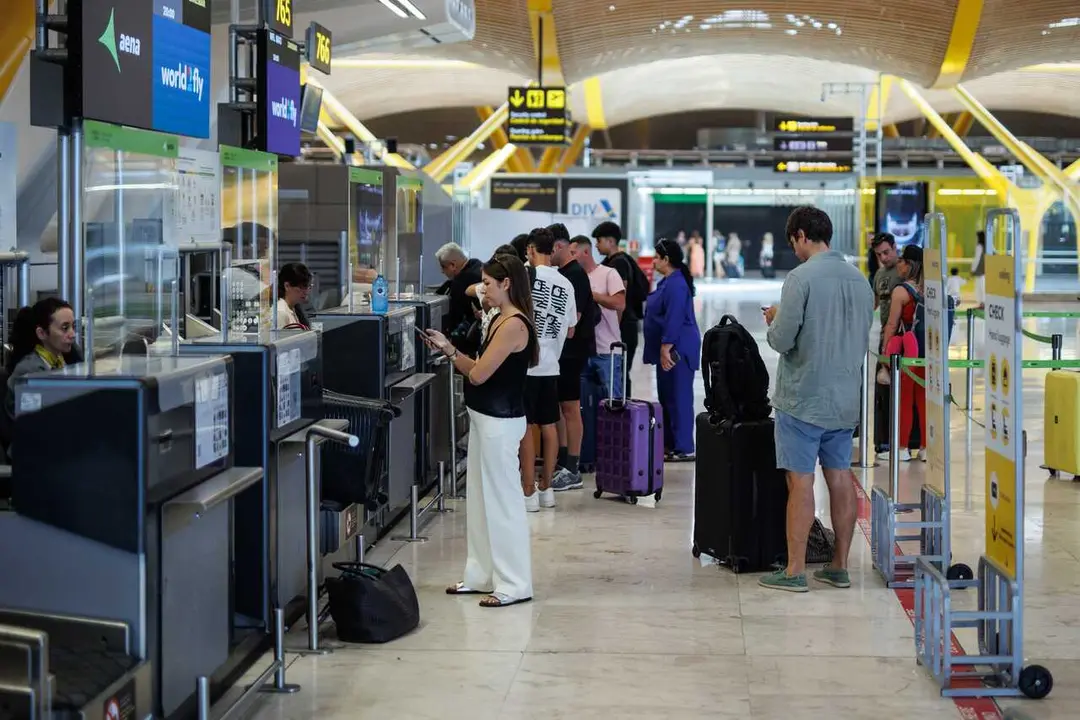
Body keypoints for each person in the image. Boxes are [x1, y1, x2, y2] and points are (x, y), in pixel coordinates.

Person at [759, 206, 874, 593]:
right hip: (845, 399)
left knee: (801, 482)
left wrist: (774, 318)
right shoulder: (860, 280)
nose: (795, 249)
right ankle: (839, 566)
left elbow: (782, 339)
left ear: (801, 236)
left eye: (794, 241)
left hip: (803, 398)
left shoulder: (801, 278)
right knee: (840, 478)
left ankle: (795, 571)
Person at [425, 254, 538, 608]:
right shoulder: (499, 315)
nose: (482, 289)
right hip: (484, 418)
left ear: (506, 284)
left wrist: (449, 350)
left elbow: (477, 374)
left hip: (499, 423)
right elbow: (478, 364)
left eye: (488, 284)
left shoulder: (514, 324)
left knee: (503, 503)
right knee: (479, 501)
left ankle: (514, 582)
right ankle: (481, 574)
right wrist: (450, 346)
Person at [521, 228, 577, 512]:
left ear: (531, 249)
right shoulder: (566, 283)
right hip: (552, 365)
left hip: (526, 365)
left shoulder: (525, 278)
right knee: (549, 425)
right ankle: (547, 488)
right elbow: (571, 329)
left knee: (526, 427)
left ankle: (528, 491)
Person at [644, 239, 701, 462]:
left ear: (666, 259)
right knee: (667, 396)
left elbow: (674, 318)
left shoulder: (677, 284)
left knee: (679, 398)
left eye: (656, 257)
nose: (653, 261)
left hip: (678, 349)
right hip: (668, 348)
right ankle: (671, 444)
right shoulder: (667, 282)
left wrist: (666, 347)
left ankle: (684, 447)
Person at [549, 223, 596, 491]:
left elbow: (572, 321)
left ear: (559, 247)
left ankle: (573, 467)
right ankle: (565, 461)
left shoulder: (575, 275)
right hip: (562, 352)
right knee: (562, 407)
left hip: (572, 351)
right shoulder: (564, 274)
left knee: (570, 407)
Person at [5, 298, 77, 436]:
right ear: (41, 333)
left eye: (73, 327)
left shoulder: (62, 361)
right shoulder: (29, 371)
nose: (72, 334)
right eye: (65, 328)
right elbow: (34, 421)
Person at [881, 245, 927, 463]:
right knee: (924, 401)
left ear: (909, 265)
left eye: (901, 260)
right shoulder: (932, 289)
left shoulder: (901, 291)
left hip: (909, 353)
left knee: (905, 399)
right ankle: (926, 448)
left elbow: (892, 324)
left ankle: (902, 448)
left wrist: (885, 352)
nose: (898, 264)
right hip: (929, 352)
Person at [593, 221, 647, 395]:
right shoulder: (616, 261)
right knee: (619, 374)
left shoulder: (619, 263)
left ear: (610, 241)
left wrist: (613, 330)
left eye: (599, 241)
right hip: (625, 325)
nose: (596, 245)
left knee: (620, 375)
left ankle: (622, 409)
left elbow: (619, 301)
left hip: (624, 326)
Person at [572, 235, 626, 398]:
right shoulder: (574, 277)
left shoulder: (609, 273)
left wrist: (592, 295)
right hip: (582, 350)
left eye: (574, 253)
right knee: (583, 402)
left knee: (612, 401)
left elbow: (620, 303)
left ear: (586, 252)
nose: (571, 257)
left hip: (607, 350)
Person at [435, 242, 484, 352]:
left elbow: (455, 317)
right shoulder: (477, 264)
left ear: (453, 265)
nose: (442, 271)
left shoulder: (461, 282)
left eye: (443, 267)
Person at [277, 262, 313, 329]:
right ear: (287, 286)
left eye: (308, 287)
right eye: (301, 287)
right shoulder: (280, 313)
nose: (306, 292)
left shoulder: (294, 308)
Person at [972, 231, 986, 308]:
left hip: (980, 270)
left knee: (980, 286)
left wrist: (973, 269)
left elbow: (976, 259)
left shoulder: (979, 246)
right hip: (985, 269)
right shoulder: (988, 245)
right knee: (983, 286)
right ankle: (983, 303)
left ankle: (982, 303)